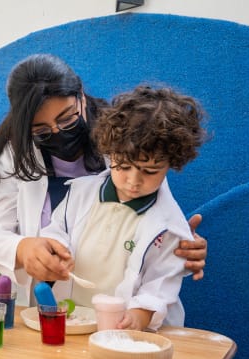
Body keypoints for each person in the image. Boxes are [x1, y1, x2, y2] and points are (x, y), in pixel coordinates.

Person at [0, 54, 207, 306]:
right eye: (40, 130)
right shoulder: (14, 154)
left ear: (81, 97)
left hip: (126, 308)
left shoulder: (125, 138)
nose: (57, 132)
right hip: (54, 305)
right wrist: (23, 249)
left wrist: (179, 244)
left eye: (66, 118)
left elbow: (157, 210)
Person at [40, 85, 208, 330]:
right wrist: (55, 251)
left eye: (149, 171)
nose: (134, 180)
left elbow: (160, 285)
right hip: (78, 320)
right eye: (123, 166)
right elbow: (56, 231)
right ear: (110, 153)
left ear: (172, 164)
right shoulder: (80, 193)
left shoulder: (170, 226)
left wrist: (138, 317)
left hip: (134, 330)